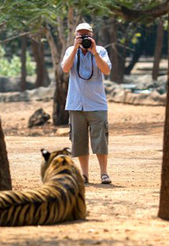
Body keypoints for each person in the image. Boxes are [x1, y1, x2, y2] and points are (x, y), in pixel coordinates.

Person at [61, 22, 112, 185]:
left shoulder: (101, 51)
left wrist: (94, 52)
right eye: (80, 35)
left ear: (92, 35)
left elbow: (106, 70)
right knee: (79, 141)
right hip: (76, 104)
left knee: (100, 140)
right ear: (75, 36)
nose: (84, 38)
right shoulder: (71, 51)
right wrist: (75, 48)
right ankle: (84, 175)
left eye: (86, 35)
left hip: (97, 104)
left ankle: (104, 173)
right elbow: (65, 68)